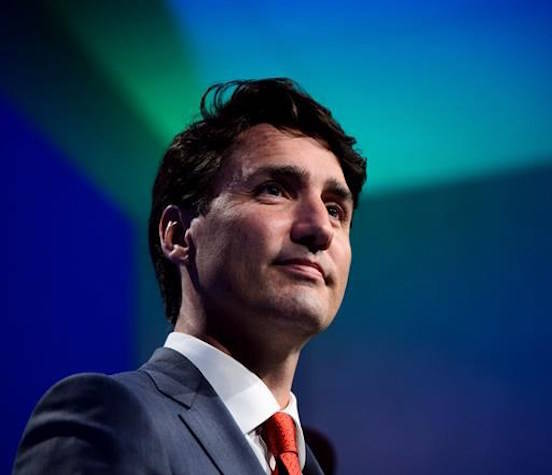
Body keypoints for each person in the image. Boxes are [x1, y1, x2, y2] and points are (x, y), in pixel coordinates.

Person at [13, 78, 367, 475]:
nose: (320, 227)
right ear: (179, 235)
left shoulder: (311, 465)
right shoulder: (110, 417)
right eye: (274, 190)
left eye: (336, 209)